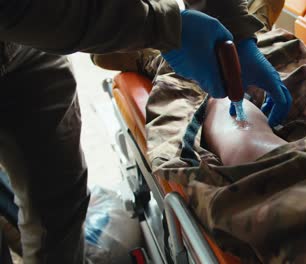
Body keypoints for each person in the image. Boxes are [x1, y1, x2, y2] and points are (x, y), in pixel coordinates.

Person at [0, 0, 291, 263]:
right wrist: (161, 27)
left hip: (28, 46)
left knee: (59, 203)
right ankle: (144, 53)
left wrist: (237, 34)